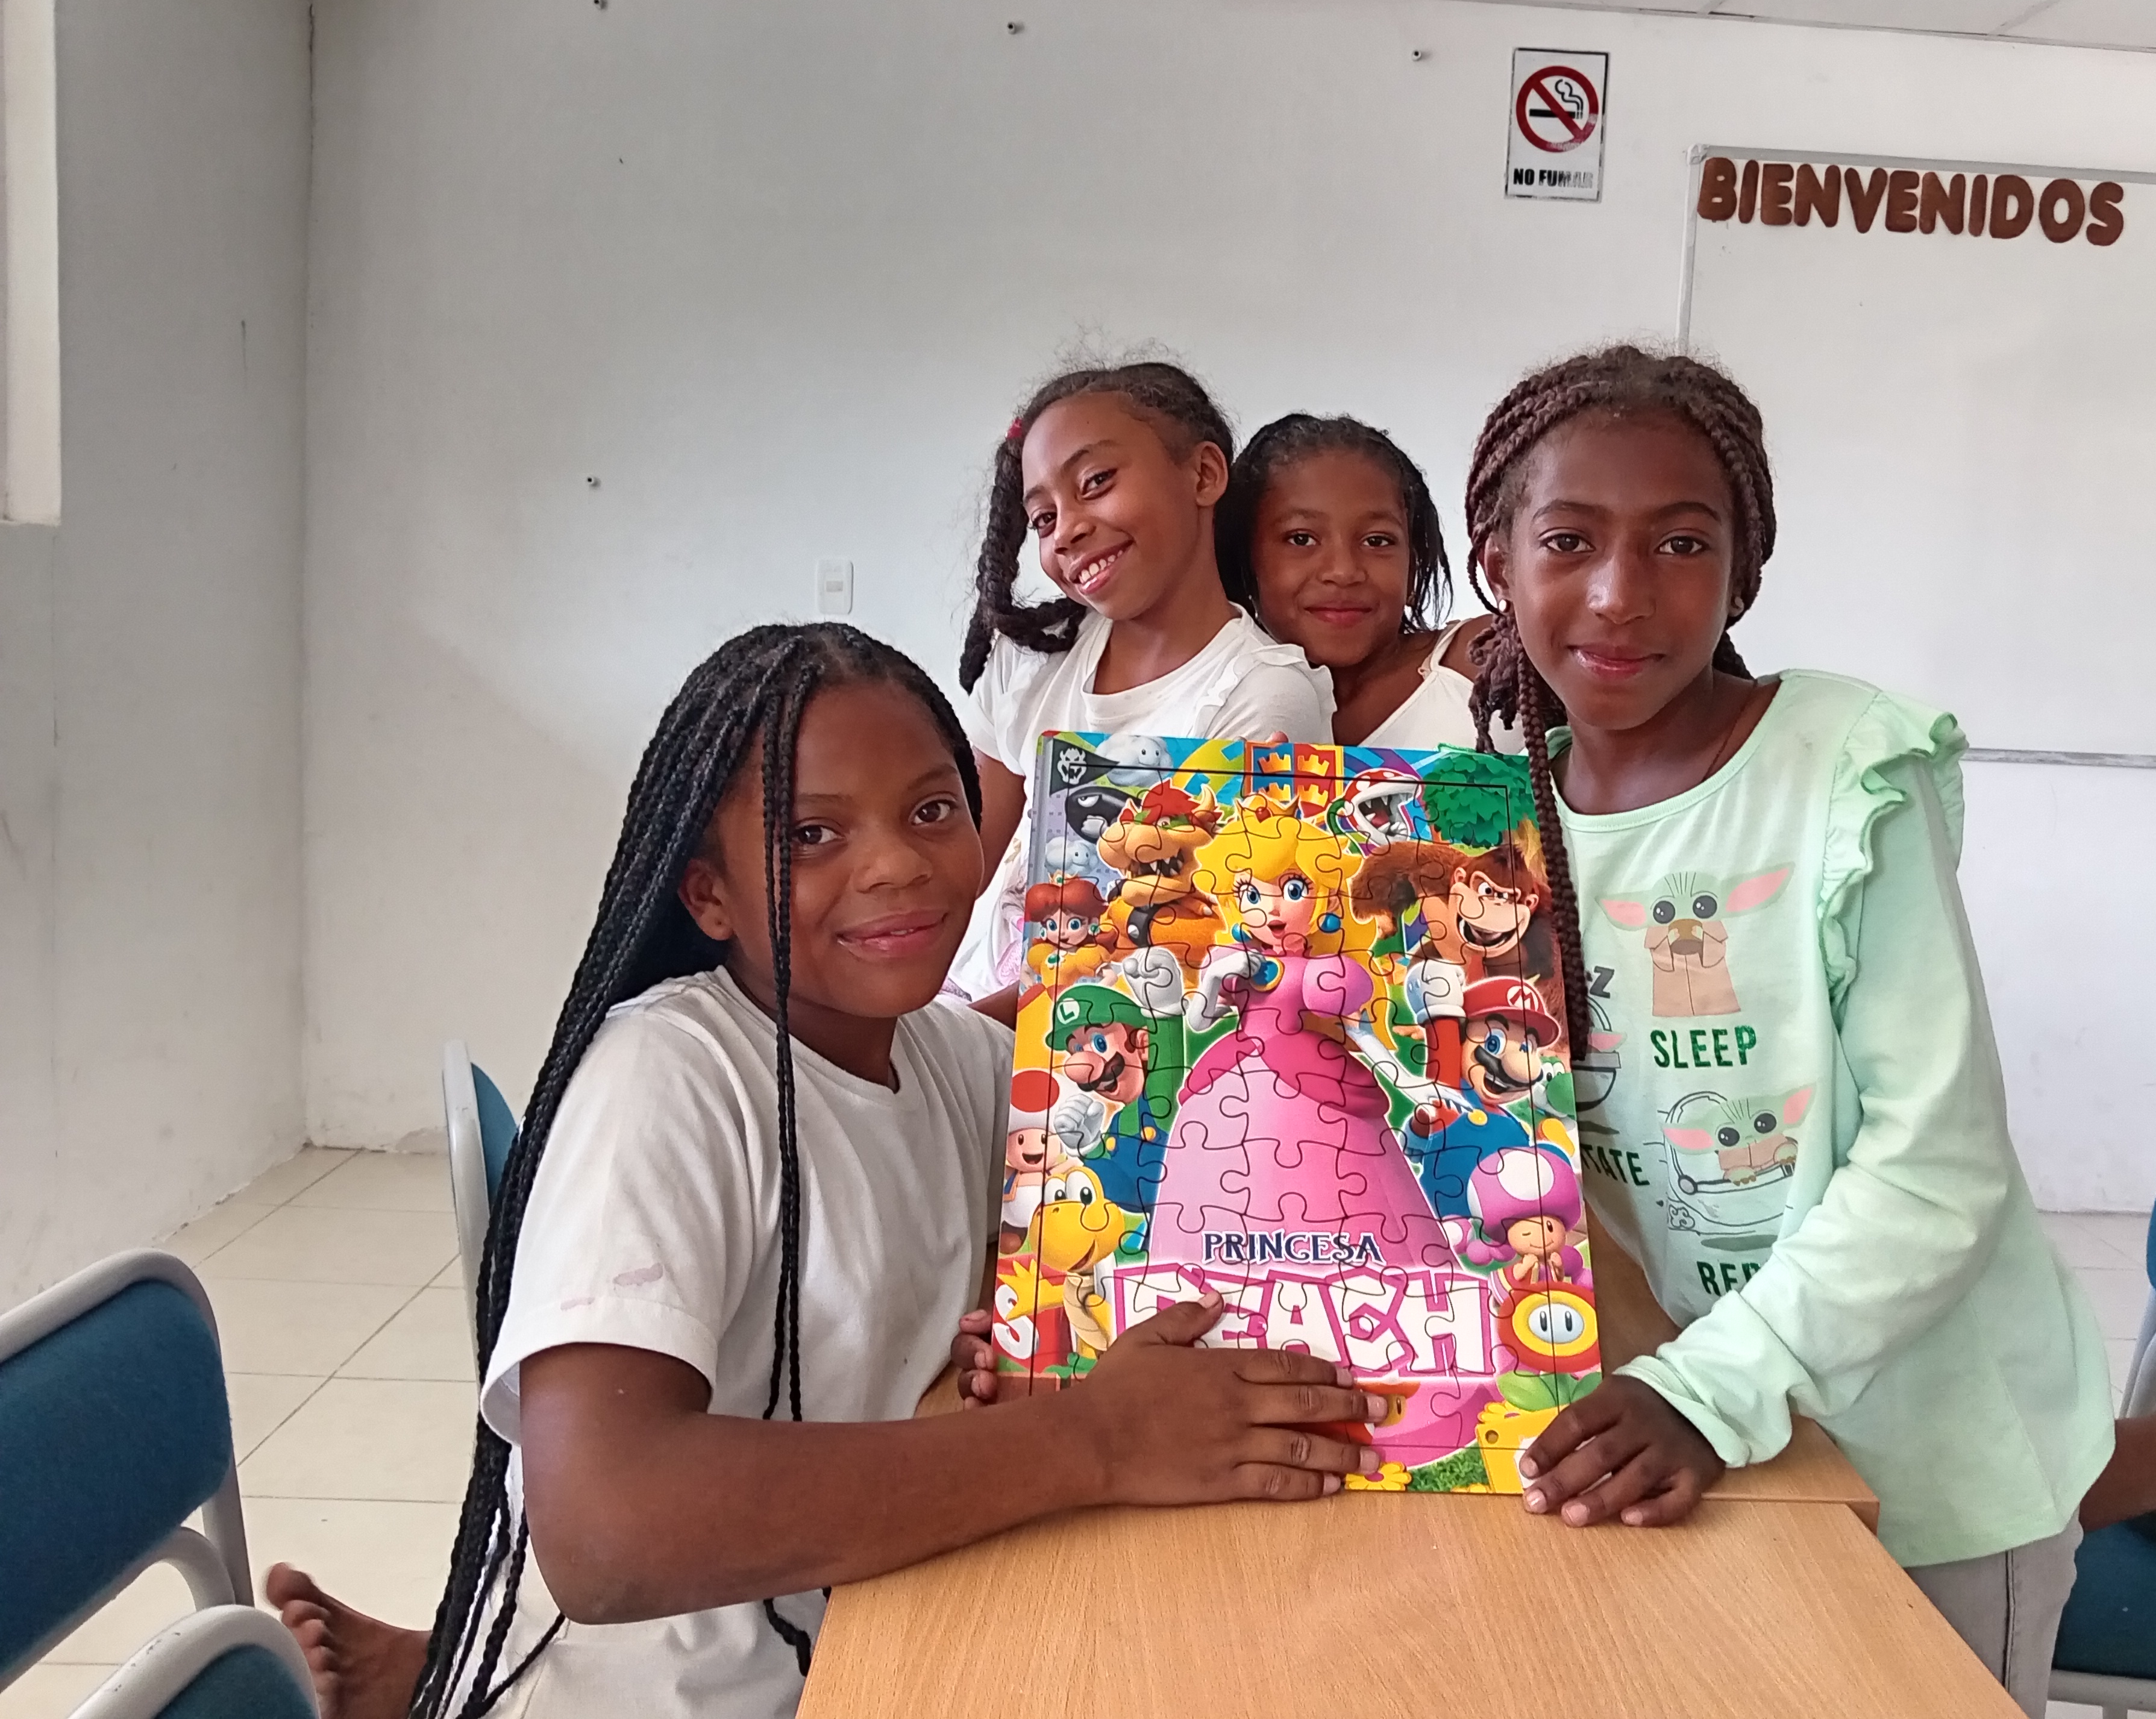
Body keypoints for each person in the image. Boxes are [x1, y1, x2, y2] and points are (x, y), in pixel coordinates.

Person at [265, 622, 1382, 1719]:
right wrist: (1096, 1439)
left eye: (933, 811)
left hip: (865, 1619)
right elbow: (606, 1532)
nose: (897, 863)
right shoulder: (668, 1080)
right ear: (708, 895)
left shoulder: (960, 1060)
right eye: (811, 834)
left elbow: (1154, 1186)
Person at [1449, 345, 2156, 1717]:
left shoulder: (1839, 772)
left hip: (1928, 1448)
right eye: (1568, 540)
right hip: (1705, 1417)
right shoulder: (1498, 821)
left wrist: (1708, 1390)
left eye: (1680, 543)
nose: (1618, 592)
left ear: (1742, 573)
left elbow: (1933, 1168)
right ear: (1496, 563)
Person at [948, 366, 1333, 1000]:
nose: (1067, 530)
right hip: (957, 1005)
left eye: (1096, 482)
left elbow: (1175, 949)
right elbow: (959, 867)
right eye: (1043, 518)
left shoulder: (1261, 694)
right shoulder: (1031, 658)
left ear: (1203, 475)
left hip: (1091, 1028)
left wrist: (951, 1041)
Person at [1218, 412, 1509, 751]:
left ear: (1413, 564)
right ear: (1245, 560)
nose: (1343, 572)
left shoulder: (1483, 657)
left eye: (1377, 541)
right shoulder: (1226, 703)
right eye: (1301, 539)